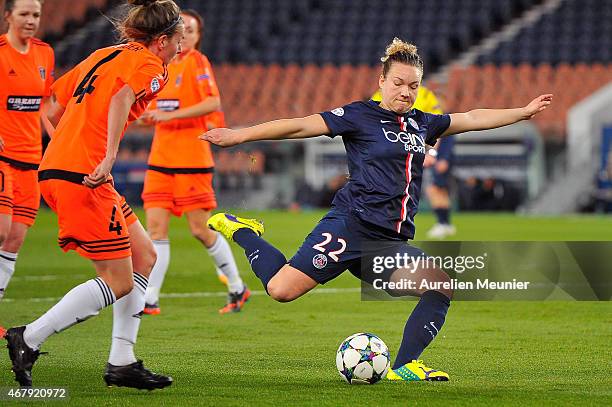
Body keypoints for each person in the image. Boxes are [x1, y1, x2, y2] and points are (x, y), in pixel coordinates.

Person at [202, 37, 552, 381]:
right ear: (381, 82)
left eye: (413, 86)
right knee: (281, 291)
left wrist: (522, 113)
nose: (405, 92)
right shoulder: (358, 116)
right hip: (349, 226)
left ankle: (405, 366)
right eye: (398, 83)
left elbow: (472, 117)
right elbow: (300, 124)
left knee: (440, 286)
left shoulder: (424, 124)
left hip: (387, 242)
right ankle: (244, 231)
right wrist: (239, 135)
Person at [3, 0, 183, 389]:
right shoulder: (154, 66)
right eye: (179, 37)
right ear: (163, 39)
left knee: (145, 256)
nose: (182, 44)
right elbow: (120, 99)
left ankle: (122, 362)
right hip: (85, 174)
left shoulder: (105, 54)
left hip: (64, 167)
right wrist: (107, 155)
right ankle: (28, 337)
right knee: (118, 280)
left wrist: (65, 146)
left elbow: (50, 103)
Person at [139, 9, 250, 315]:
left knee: (200, 230)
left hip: (192, 159)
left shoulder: (197, 62)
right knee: (156, 230)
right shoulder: (158, 67)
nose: (186, 34)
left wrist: (167, 115)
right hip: (160, 159)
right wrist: (143, 117)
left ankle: (237, 287)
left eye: (192, 30)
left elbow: (213, 102)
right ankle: (149, 299)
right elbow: (151, 110)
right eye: (181, 28)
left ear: (198, 37)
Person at [0, 0, 54, 303]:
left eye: (36, 14)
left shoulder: (44, 52)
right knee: (1, 229)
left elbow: (44, 104)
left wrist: (55, 137)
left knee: (15, 239)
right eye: (24, 14)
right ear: (8, 16)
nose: (31, 20)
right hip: (3, 158)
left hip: (31, 159)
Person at [374, 86, 456, 239]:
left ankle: (442, 223)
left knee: (434, 191)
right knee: (439, 191)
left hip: (437, 160)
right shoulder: (435, 120)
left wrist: (439, 157)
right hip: (438, 159)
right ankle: (445, 223)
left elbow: (447, 143)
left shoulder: (442, 121)